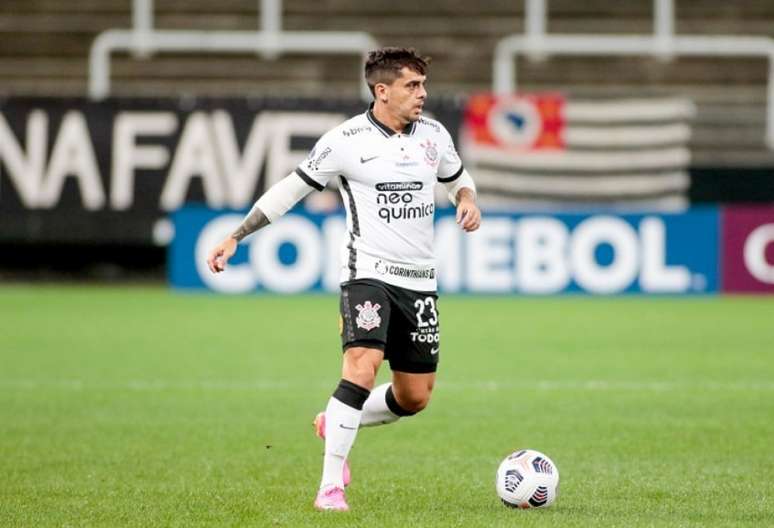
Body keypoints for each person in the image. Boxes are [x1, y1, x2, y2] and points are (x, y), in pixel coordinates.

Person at [206, 47, 480, 512]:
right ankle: (330, 487)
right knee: (361, 363)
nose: (423, 94)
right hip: (366, 274)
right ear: (382, 90)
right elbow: (289, 190)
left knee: (414, 397)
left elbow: (457, 177)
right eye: (412, 86)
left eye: (422, 85)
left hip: (419, 281)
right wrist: (236, 235)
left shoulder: (433, 135)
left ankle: (336, 419)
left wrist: (467, 199)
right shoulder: (345, 141)